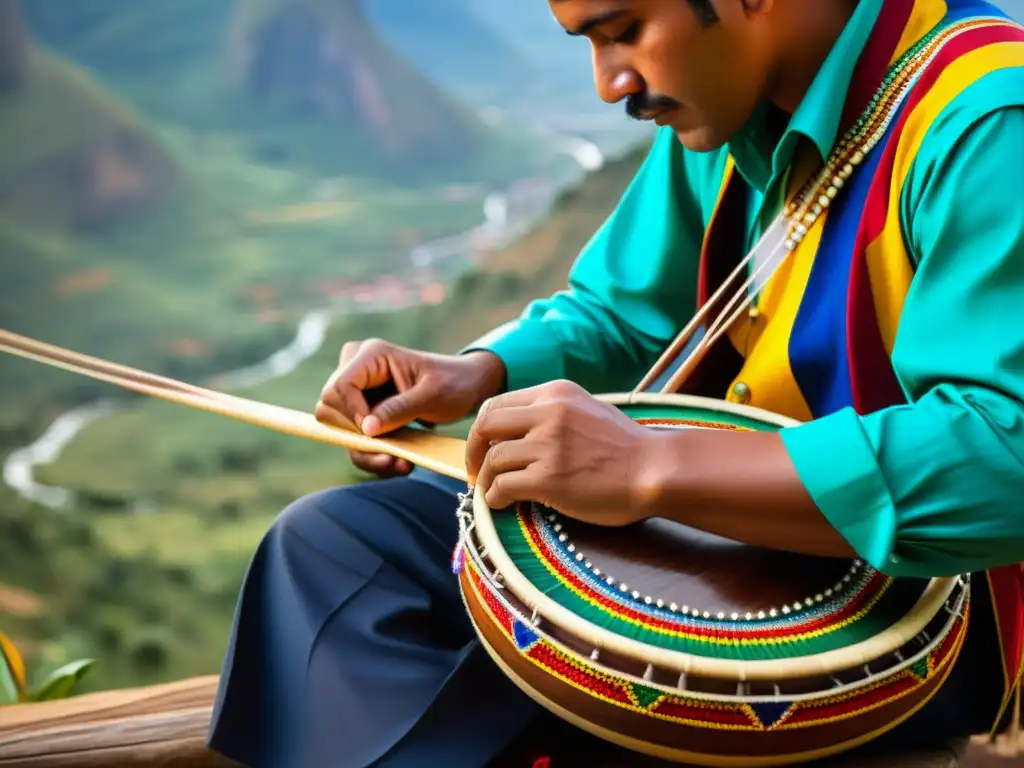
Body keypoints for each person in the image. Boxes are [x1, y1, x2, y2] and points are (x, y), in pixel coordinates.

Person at [207, 0, 1024, 765]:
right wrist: (475, 374)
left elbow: (1005, 456)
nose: (611, 84)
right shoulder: (732, 103)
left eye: (624, 30)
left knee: (497, 684)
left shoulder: (989, 120)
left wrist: (653, 469)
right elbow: (627, 308)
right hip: (721, 523)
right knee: (335, 549)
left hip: (919, 615)